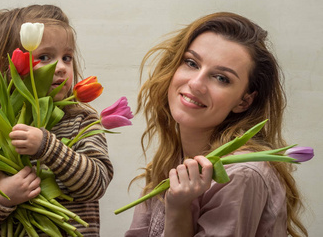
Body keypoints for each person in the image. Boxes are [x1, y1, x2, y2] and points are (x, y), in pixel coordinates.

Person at [125, 12, 307, 237]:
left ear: (244, 101)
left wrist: (179, 209)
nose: (196, 83)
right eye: (191, 63)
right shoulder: (170, 160)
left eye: (221, 78)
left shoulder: (241, 175)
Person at [0, 4, 113, 236]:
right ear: (9, 65)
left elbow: (96, 184)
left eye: (66, 57)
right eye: (45, 57)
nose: (61, 67)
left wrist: (47, 147)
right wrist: (2, 196)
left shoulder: (81, 120)